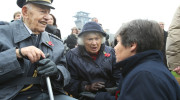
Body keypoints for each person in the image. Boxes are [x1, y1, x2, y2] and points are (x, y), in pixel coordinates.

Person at [0, 0, 76, 100]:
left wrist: (57, 72)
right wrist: (17, 54)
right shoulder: (3, 33)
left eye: (49, 13)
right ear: (25, 12)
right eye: (42, 11)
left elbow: (65, 73)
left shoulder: (56, 42)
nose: (48, 17)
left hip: (48, 94)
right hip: (10, 95)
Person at [95, 19, 180, 100]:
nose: (115, 48)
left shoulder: (144, 76)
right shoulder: (150, 69)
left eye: (118, 42)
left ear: (132, 45)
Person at [64, 22, 120, 100]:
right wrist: (86, 87)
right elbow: (69, 82)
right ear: (83, 41)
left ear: (102, 39)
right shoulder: (72, 55)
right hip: (85, 96)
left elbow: (118, 76)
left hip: (109, 96)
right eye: (90, 39)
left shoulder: (110, 52)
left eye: (97, 38)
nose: (94, 43)